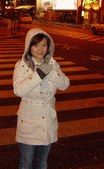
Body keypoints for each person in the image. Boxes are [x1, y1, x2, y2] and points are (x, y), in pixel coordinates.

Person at [13, 28, 70, 169]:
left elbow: (65, 84)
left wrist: (50, 73)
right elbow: (18, 90)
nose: (40, 49)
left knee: (42, 162)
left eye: (44, 45)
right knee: (26, 163)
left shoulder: (52, 63)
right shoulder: (21, 65)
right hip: (28, 121)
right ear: (29, 46)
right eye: (36, 45)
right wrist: (40, 73)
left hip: (47, 120)